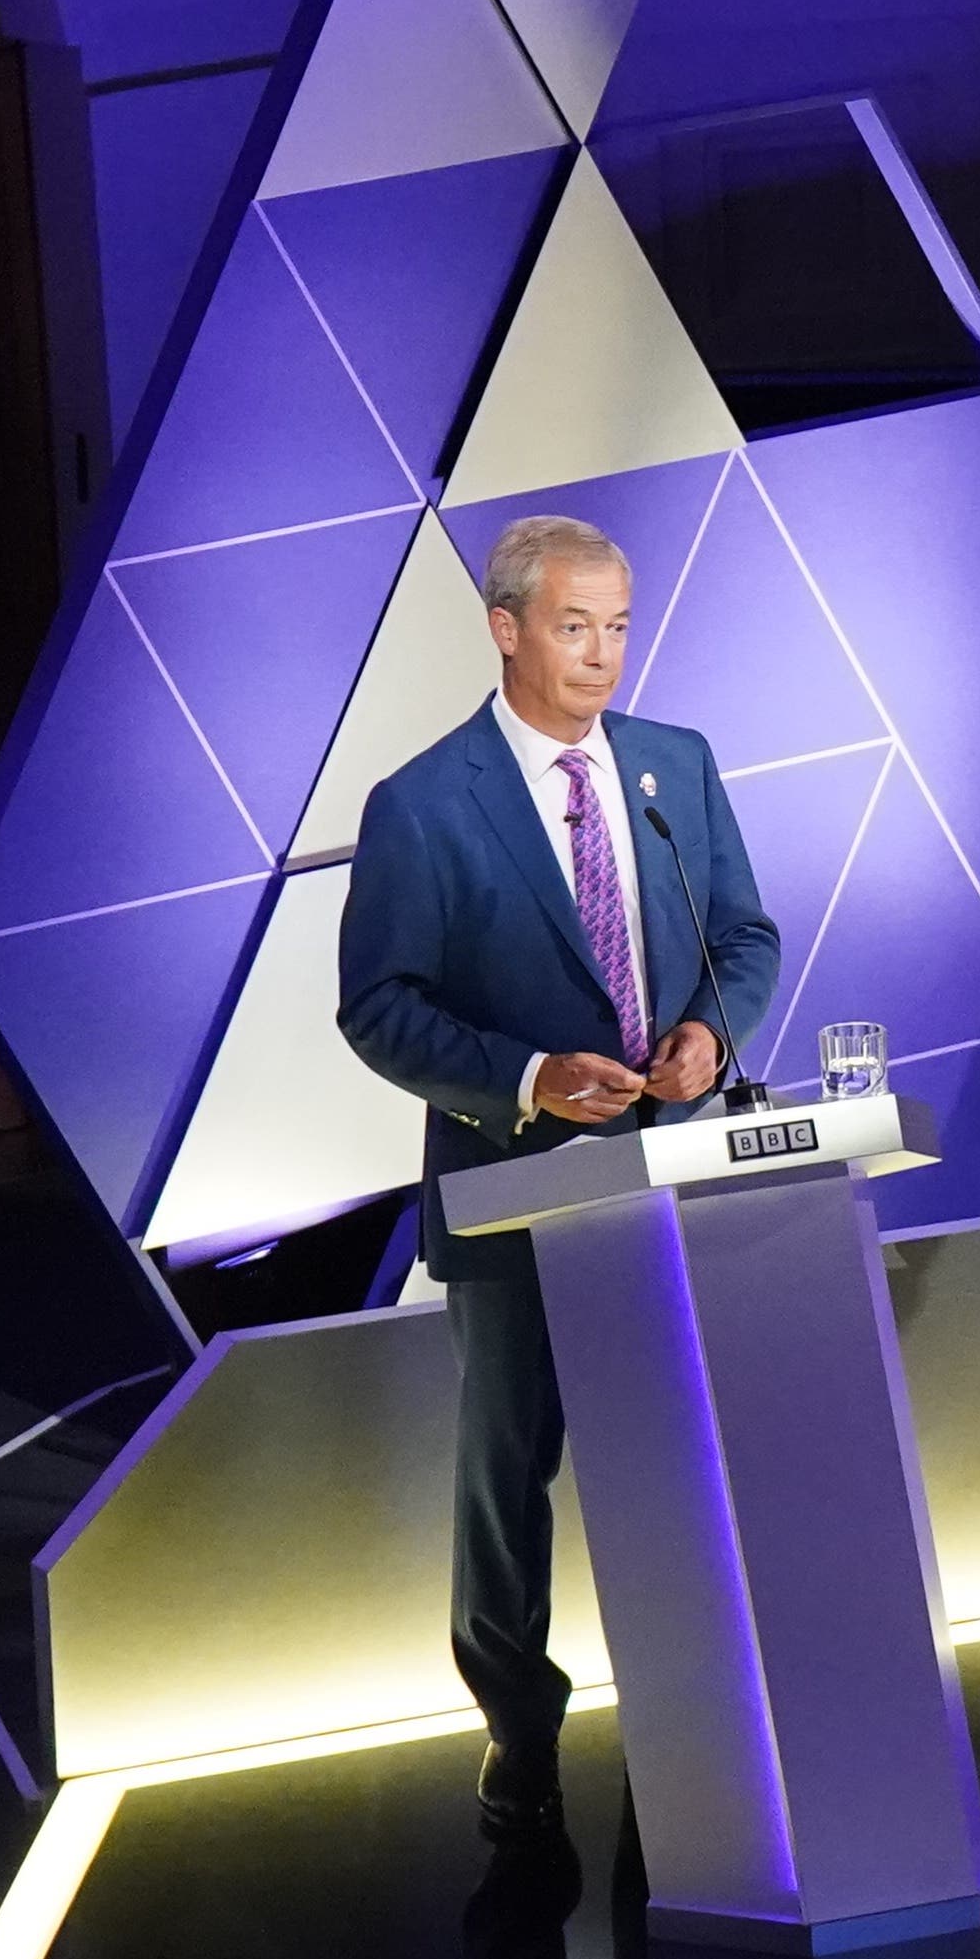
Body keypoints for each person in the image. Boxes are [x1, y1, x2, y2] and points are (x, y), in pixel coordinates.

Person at [335, 511, 780, 1837]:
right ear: (508, 626)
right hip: (513, 1187)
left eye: (619, 626)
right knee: (510, 1469)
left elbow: (743, 934)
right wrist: (531, 1079)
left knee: (676, 1458)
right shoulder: (422, 804)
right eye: (574, 626)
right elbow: (380, 1008)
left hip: (666, 1177)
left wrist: (710, 1029)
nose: (600, 656)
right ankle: (520, 1726)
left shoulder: (674, 768)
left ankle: (691, 1706)